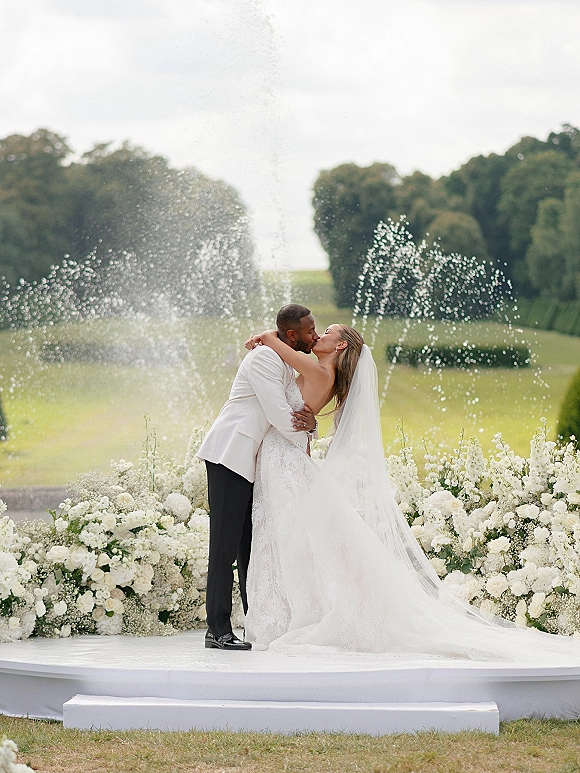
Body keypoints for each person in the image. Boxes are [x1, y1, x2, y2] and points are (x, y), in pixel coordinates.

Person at [242, 325, 580, 663]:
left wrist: (266, 337)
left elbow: (279, 348)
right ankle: (293, 609)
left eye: (326, 331)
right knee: (292, 536)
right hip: (286, 456)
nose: (318, 336)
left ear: (341, 344)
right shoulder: (324, 372)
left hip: (284, 455)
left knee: (287, 535)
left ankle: (291, 614)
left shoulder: (319, 370)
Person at [197, 305, 318, 650]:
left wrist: (310, 425)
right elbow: (280, 415)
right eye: (309, 331)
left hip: (253, 463)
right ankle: (216, 630)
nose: (315, 335)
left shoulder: (282, 358)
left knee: (249, 547)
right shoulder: (264, 359)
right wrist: (306, 434)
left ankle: (256, 622)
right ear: (291, 335)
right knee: (224, 547)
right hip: (230, 456)